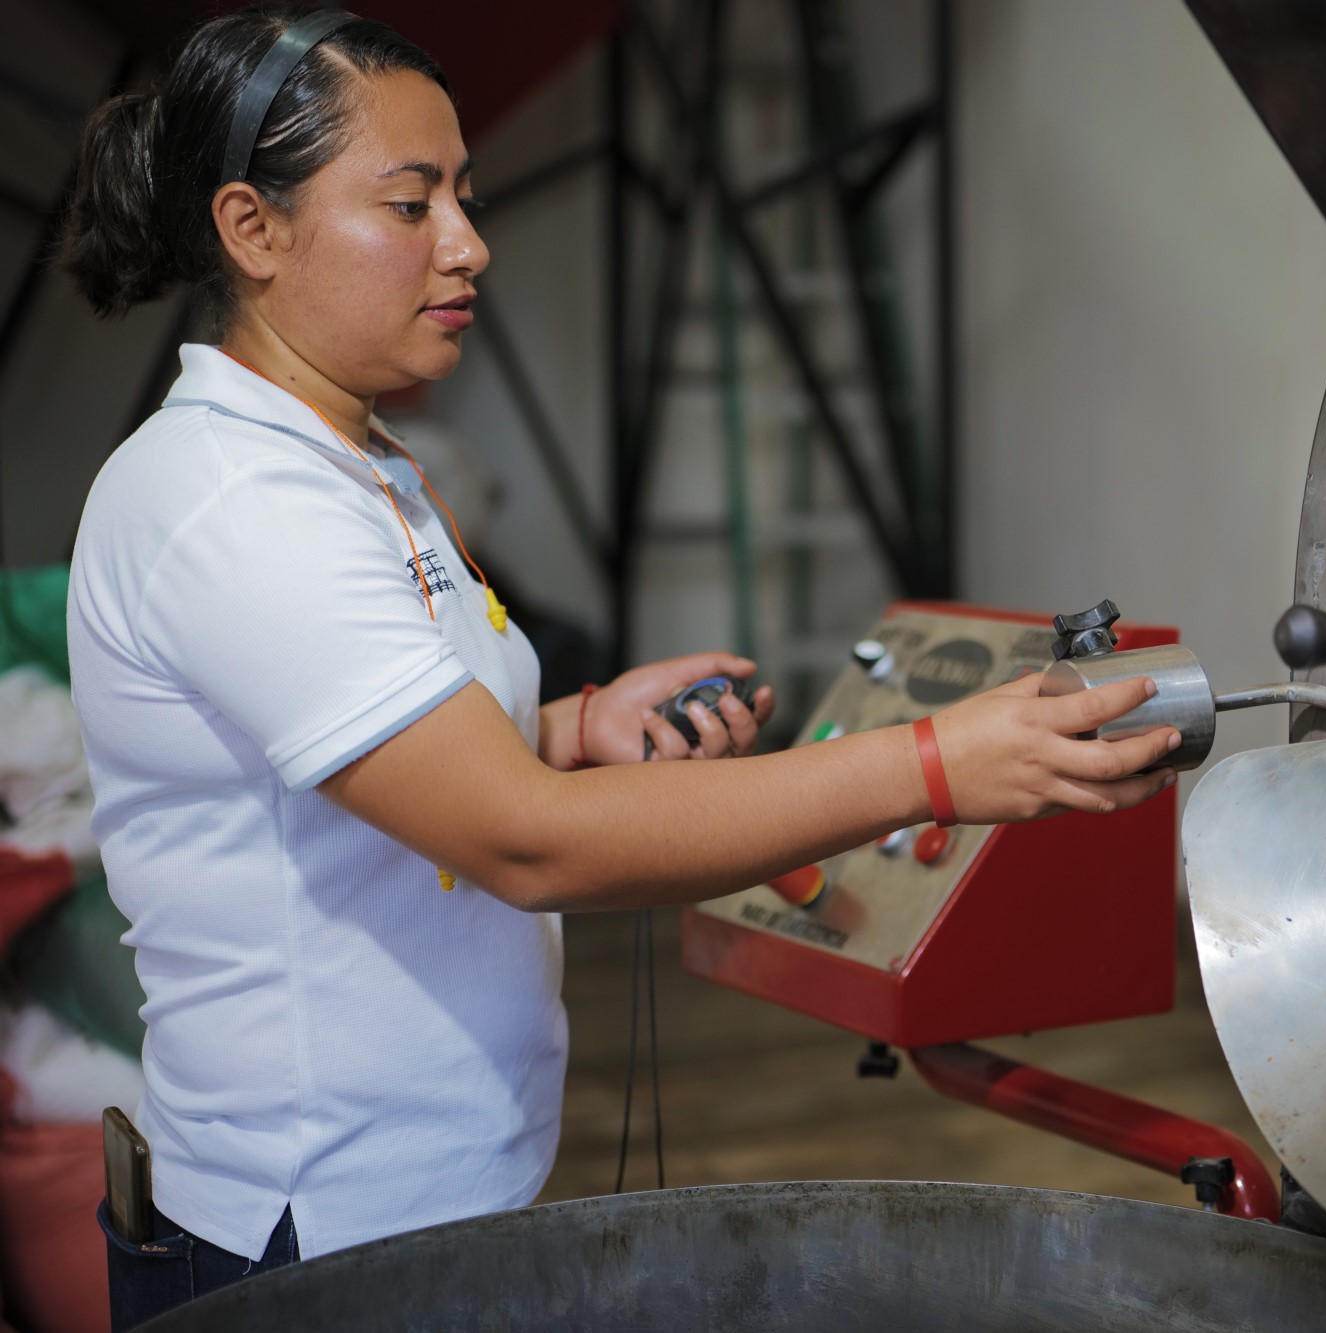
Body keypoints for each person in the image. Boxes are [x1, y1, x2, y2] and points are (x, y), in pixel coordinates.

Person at [57, 8, 1178, 1327]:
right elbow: (525, 846)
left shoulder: (359, 466)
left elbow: (378, 766)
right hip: (307, 1245)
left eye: (462, 197)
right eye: (411, 205)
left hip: (428, 1197)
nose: (467, 243)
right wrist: (932, 762)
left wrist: (576, 725)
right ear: (253, 230)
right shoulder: (229, 499)